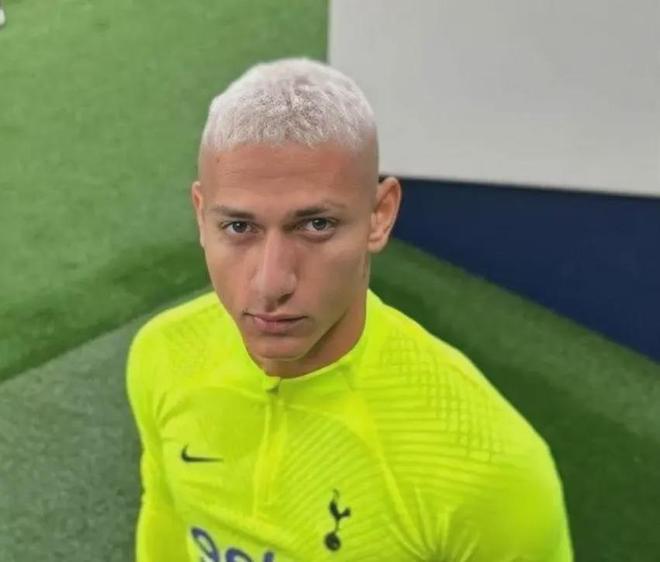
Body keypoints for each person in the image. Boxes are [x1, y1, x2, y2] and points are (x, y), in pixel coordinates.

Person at [126, 57, 573, 561]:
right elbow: (165, 514)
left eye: (316, 225)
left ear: (379, 216)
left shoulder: (490, 468)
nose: (271, 283)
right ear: (201, 216)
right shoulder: (162, 353)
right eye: (239, 227)